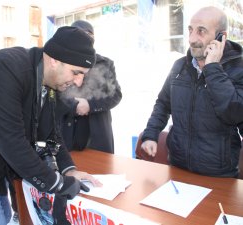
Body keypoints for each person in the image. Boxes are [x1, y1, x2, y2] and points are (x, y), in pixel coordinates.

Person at [0, 26, 100, 225]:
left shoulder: (51, 82)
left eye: (83, 75)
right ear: (54, 60)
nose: (79, 82)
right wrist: (57, 183)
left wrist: (68, 169)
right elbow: (11, 141)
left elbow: (53, 132)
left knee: (4, 217)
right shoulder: (6, 67)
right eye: (76, 72)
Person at [140, 6, 243, 178]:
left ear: (221, 37)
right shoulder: (180, 66)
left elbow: (234, 113)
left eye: (201, 31)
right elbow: (164, 104)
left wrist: (213, 69)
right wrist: (151, 134)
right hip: (177, 166)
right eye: (190, 30)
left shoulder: (238, 69)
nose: (192, 38)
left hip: (218, 175)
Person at [60, 20, 122, 153]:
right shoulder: (61, 62)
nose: (84, 38)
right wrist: (74, 105)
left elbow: (116, 95)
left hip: (97, 133)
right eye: (79, 34)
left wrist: (91, 105)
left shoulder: (104, 64)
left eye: (88, 34)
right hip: (67, 132)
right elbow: (53, 93)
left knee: (101, 171)